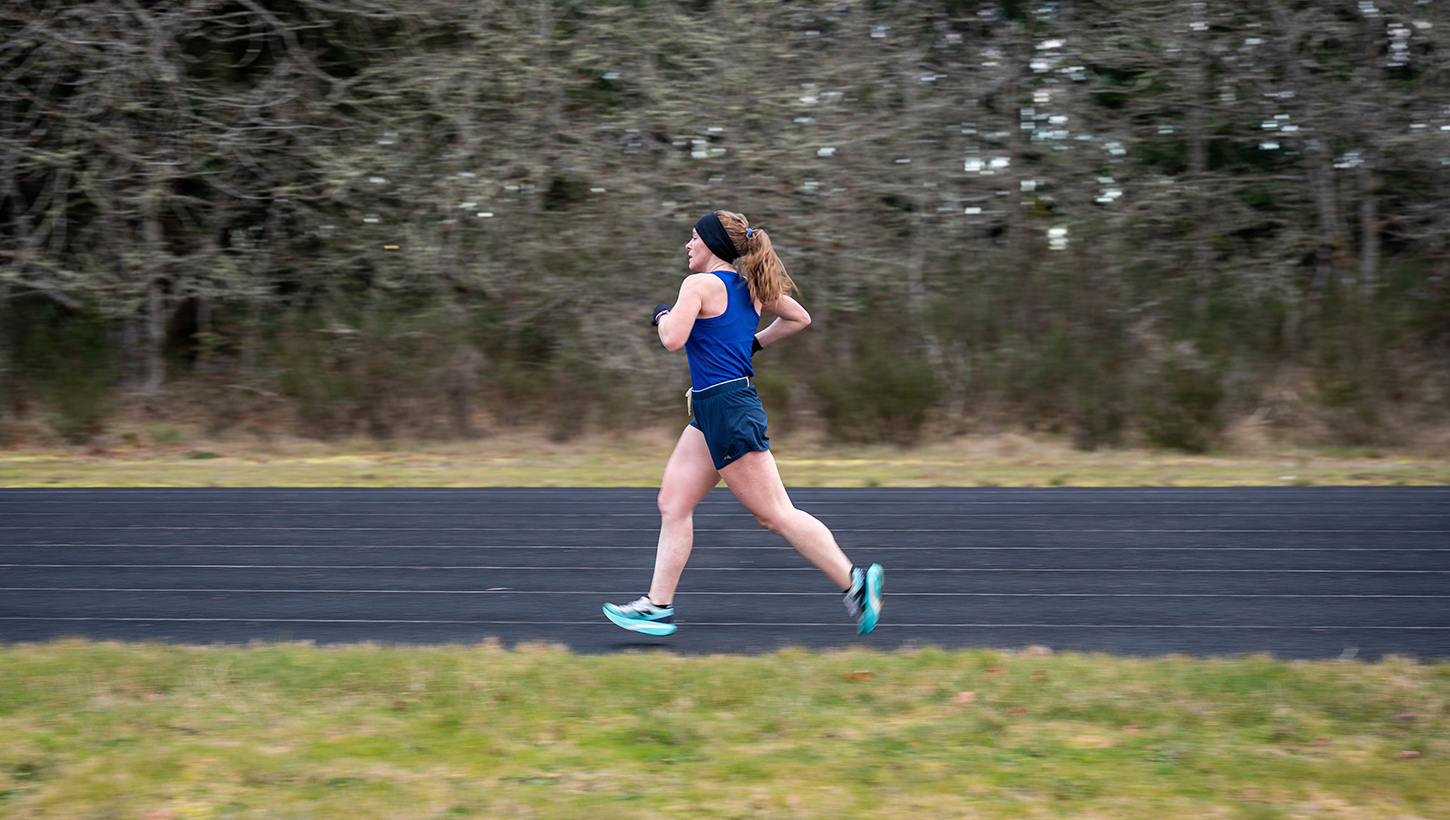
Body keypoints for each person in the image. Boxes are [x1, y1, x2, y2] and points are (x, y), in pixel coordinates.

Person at [603, 210, 884, 637]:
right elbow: (799, 318)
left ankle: (856, 583)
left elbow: (672, 339)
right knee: (673, 503)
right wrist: (753, 343)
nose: (688, 245)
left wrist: (662, 314)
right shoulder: (750, 287)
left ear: (713, 244)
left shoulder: (697, 285)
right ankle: (656, 606)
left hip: (730, 411)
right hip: (712, 412)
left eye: (694, 238)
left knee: (775, 514)